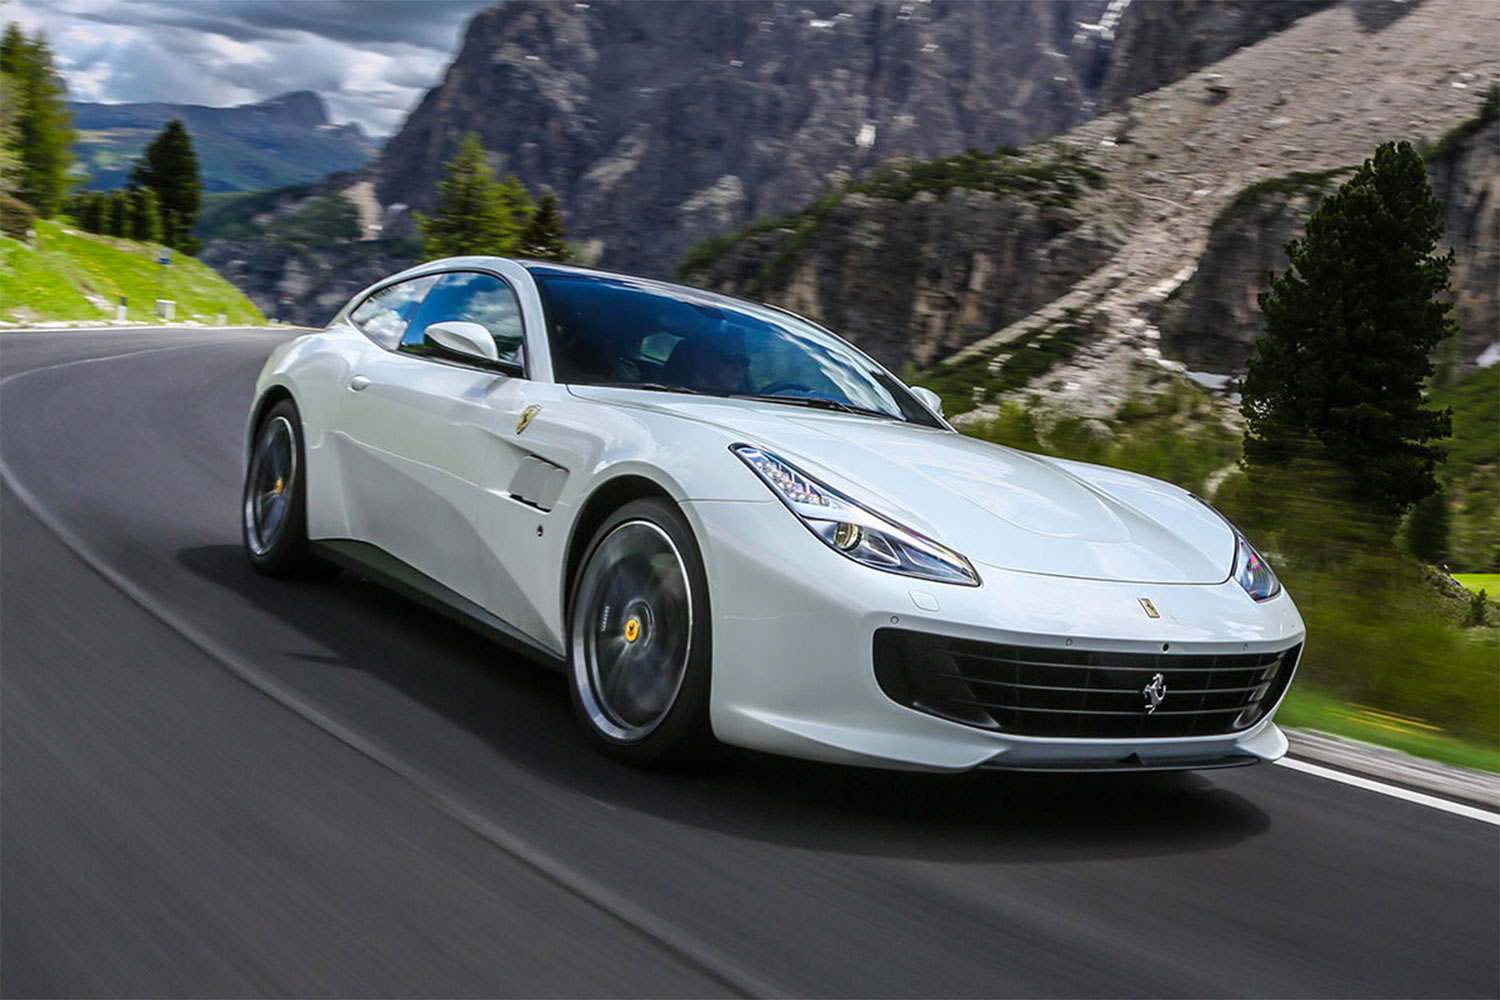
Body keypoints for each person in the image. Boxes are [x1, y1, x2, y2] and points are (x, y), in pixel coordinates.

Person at [662, 324, 752, 394]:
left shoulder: (749, 403)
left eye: (743, 361)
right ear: (702, 360)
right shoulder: (662, 392)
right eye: (729, 358)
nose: (737, 367)